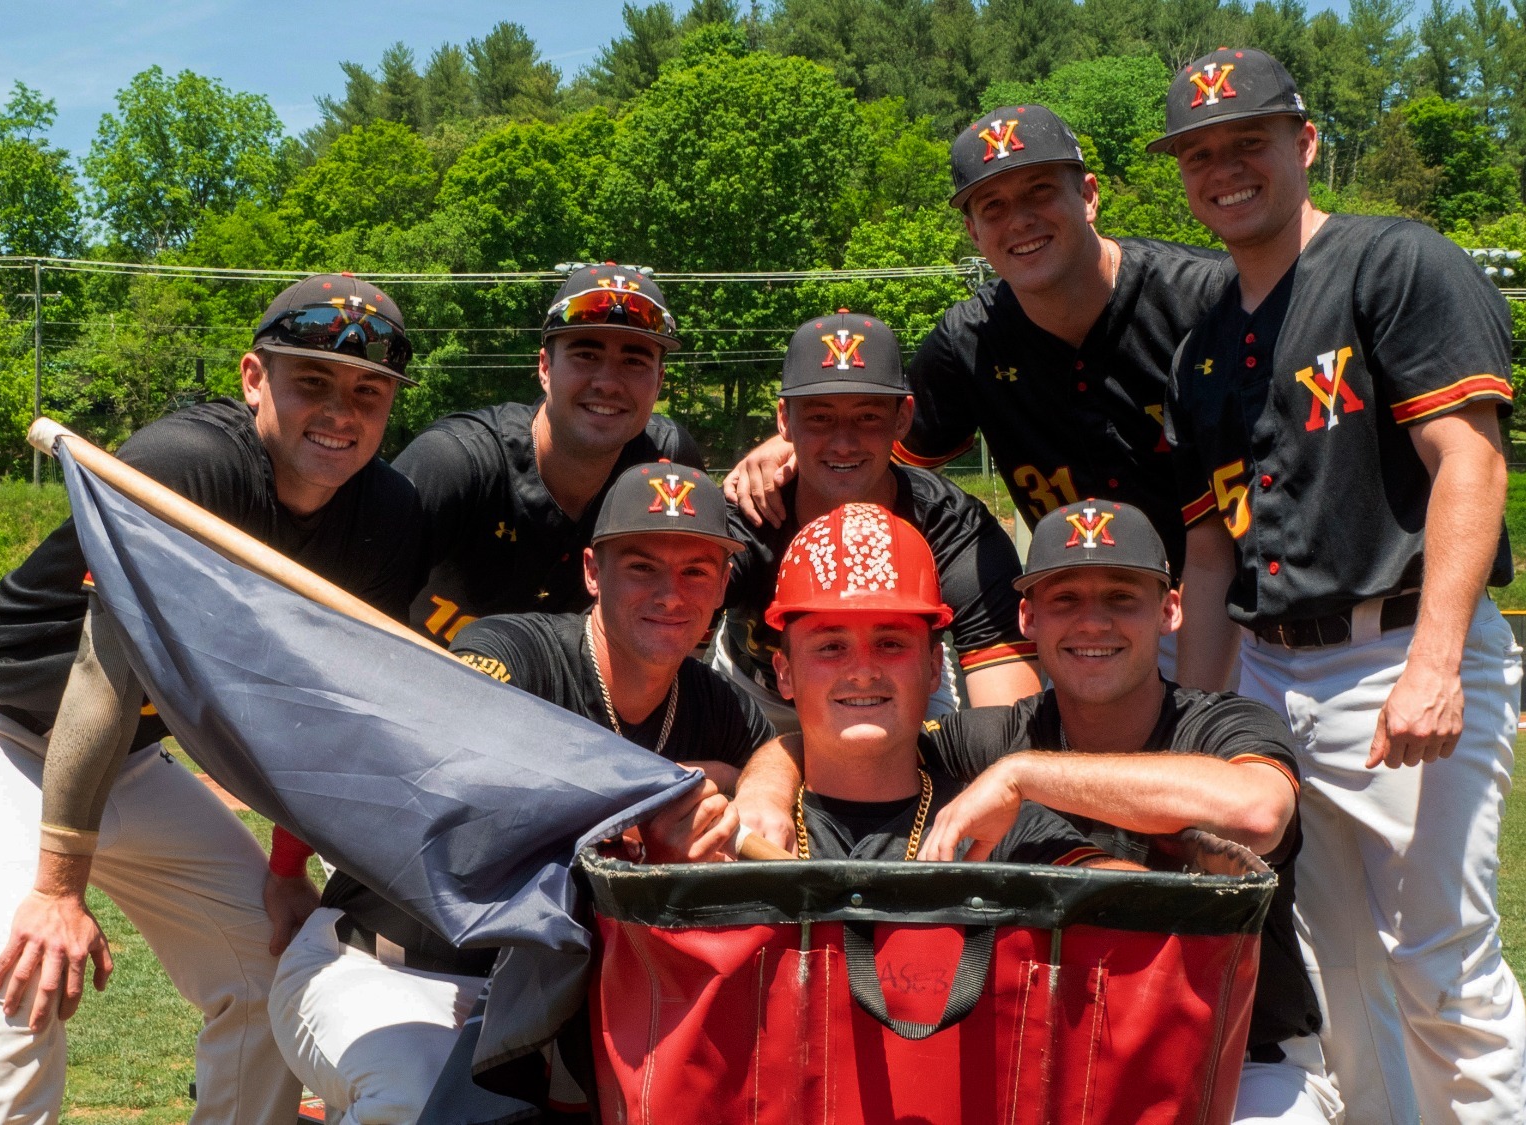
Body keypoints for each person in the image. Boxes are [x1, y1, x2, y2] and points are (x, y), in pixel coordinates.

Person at [0, 273, 424, 1124]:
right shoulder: (186, 465)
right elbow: (104, 673)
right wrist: (59, 888)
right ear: (252, 377)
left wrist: (286, 870)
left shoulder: (386, 514)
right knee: (24, 969)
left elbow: (327, 714)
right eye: (310, 380)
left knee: (264, 968)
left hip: (122, 757)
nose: (340, 411)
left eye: (368, 391)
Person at [1156, 47, 1526, 1124]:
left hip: (1399, 645)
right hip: (1271, 666)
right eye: (1198, 153)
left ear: (1303, 142)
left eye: (1247, 142)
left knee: (1437, 959)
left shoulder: (1393, 262)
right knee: (1324, 969)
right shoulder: (1199, 350)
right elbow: (1212, 553)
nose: (1222, 168)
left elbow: (1470, 462)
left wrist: (1432, 665)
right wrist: (1197, 727)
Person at [267, 461, 770, 1123]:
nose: (670, 594)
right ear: (593, 571)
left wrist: (743, 780)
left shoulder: (712, 704)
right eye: (642, 566)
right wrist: (656, 790)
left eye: (696, 570)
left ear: (723, 584)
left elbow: (779, 754)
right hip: (387, 970)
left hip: (547, 1005)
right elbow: (396, 747)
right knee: (422, 1098)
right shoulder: (517, 651)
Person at [907, 501, 1339, 1124]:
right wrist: (768, 778)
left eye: (1121, 596)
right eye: (1064, 599)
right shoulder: (994, 737)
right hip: (1051, 1052)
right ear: (1026, 616)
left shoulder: (1224, 722)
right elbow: (858, 749)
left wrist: (1028, 775)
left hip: (1240, 1057)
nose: (1093, 623)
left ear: (1171, 609)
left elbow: (1256, 811)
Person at [725, 104, 1230, 587]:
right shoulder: (968, 341)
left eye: (1040, 191)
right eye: (993, 206)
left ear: (1089, 196)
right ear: (972, 230)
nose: (1019, 220)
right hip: (1082, 612)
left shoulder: (1207, 298)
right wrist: (790, 443)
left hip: (1239, 607)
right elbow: (880, 444)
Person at [712, 310, 1040, 732]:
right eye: (819, 416)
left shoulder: (952, 527)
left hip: (900, 694)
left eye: (867, 416)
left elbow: (1009, 721)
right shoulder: (751, 513)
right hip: (756, 694)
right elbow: (661, 644)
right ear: (784, 420)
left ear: (903, 417)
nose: (843, 442)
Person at [755, 502, 1094, 865]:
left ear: (934, 668)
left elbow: (1137, 902)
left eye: (890, 644)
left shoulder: (998, 826)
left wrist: (1025, 776)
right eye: (831, 647)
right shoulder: (745, 828)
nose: (863, 670)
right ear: (785, 673)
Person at [391, 263, 701, 647]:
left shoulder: (667, 465)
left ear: (658, 382)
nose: (607, 382)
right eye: (586, 354)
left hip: (565, 705)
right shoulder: (455, 463)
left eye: (634, 361)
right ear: (544, 367)